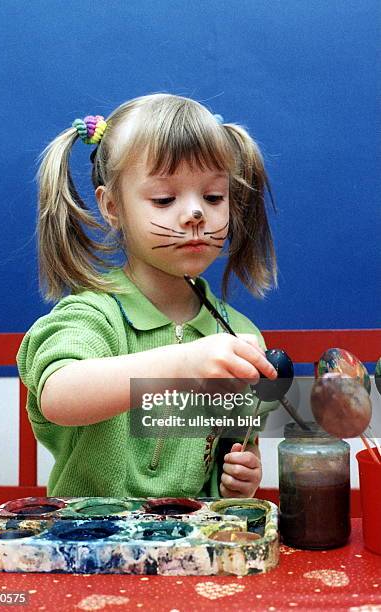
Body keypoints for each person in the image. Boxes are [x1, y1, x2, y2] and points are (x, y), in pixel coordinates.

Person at [17, 93, 279, 500]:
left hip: (186, 547)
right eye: (164, 199)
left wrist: (239, 479)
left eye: (213, 197)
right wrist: (184, 362)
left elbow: (223, 452)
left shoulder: (239, 338)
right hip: (87, 545)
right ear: (112, 206)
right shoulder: (92, 316)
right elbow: (59, 395)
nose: (195, 215)